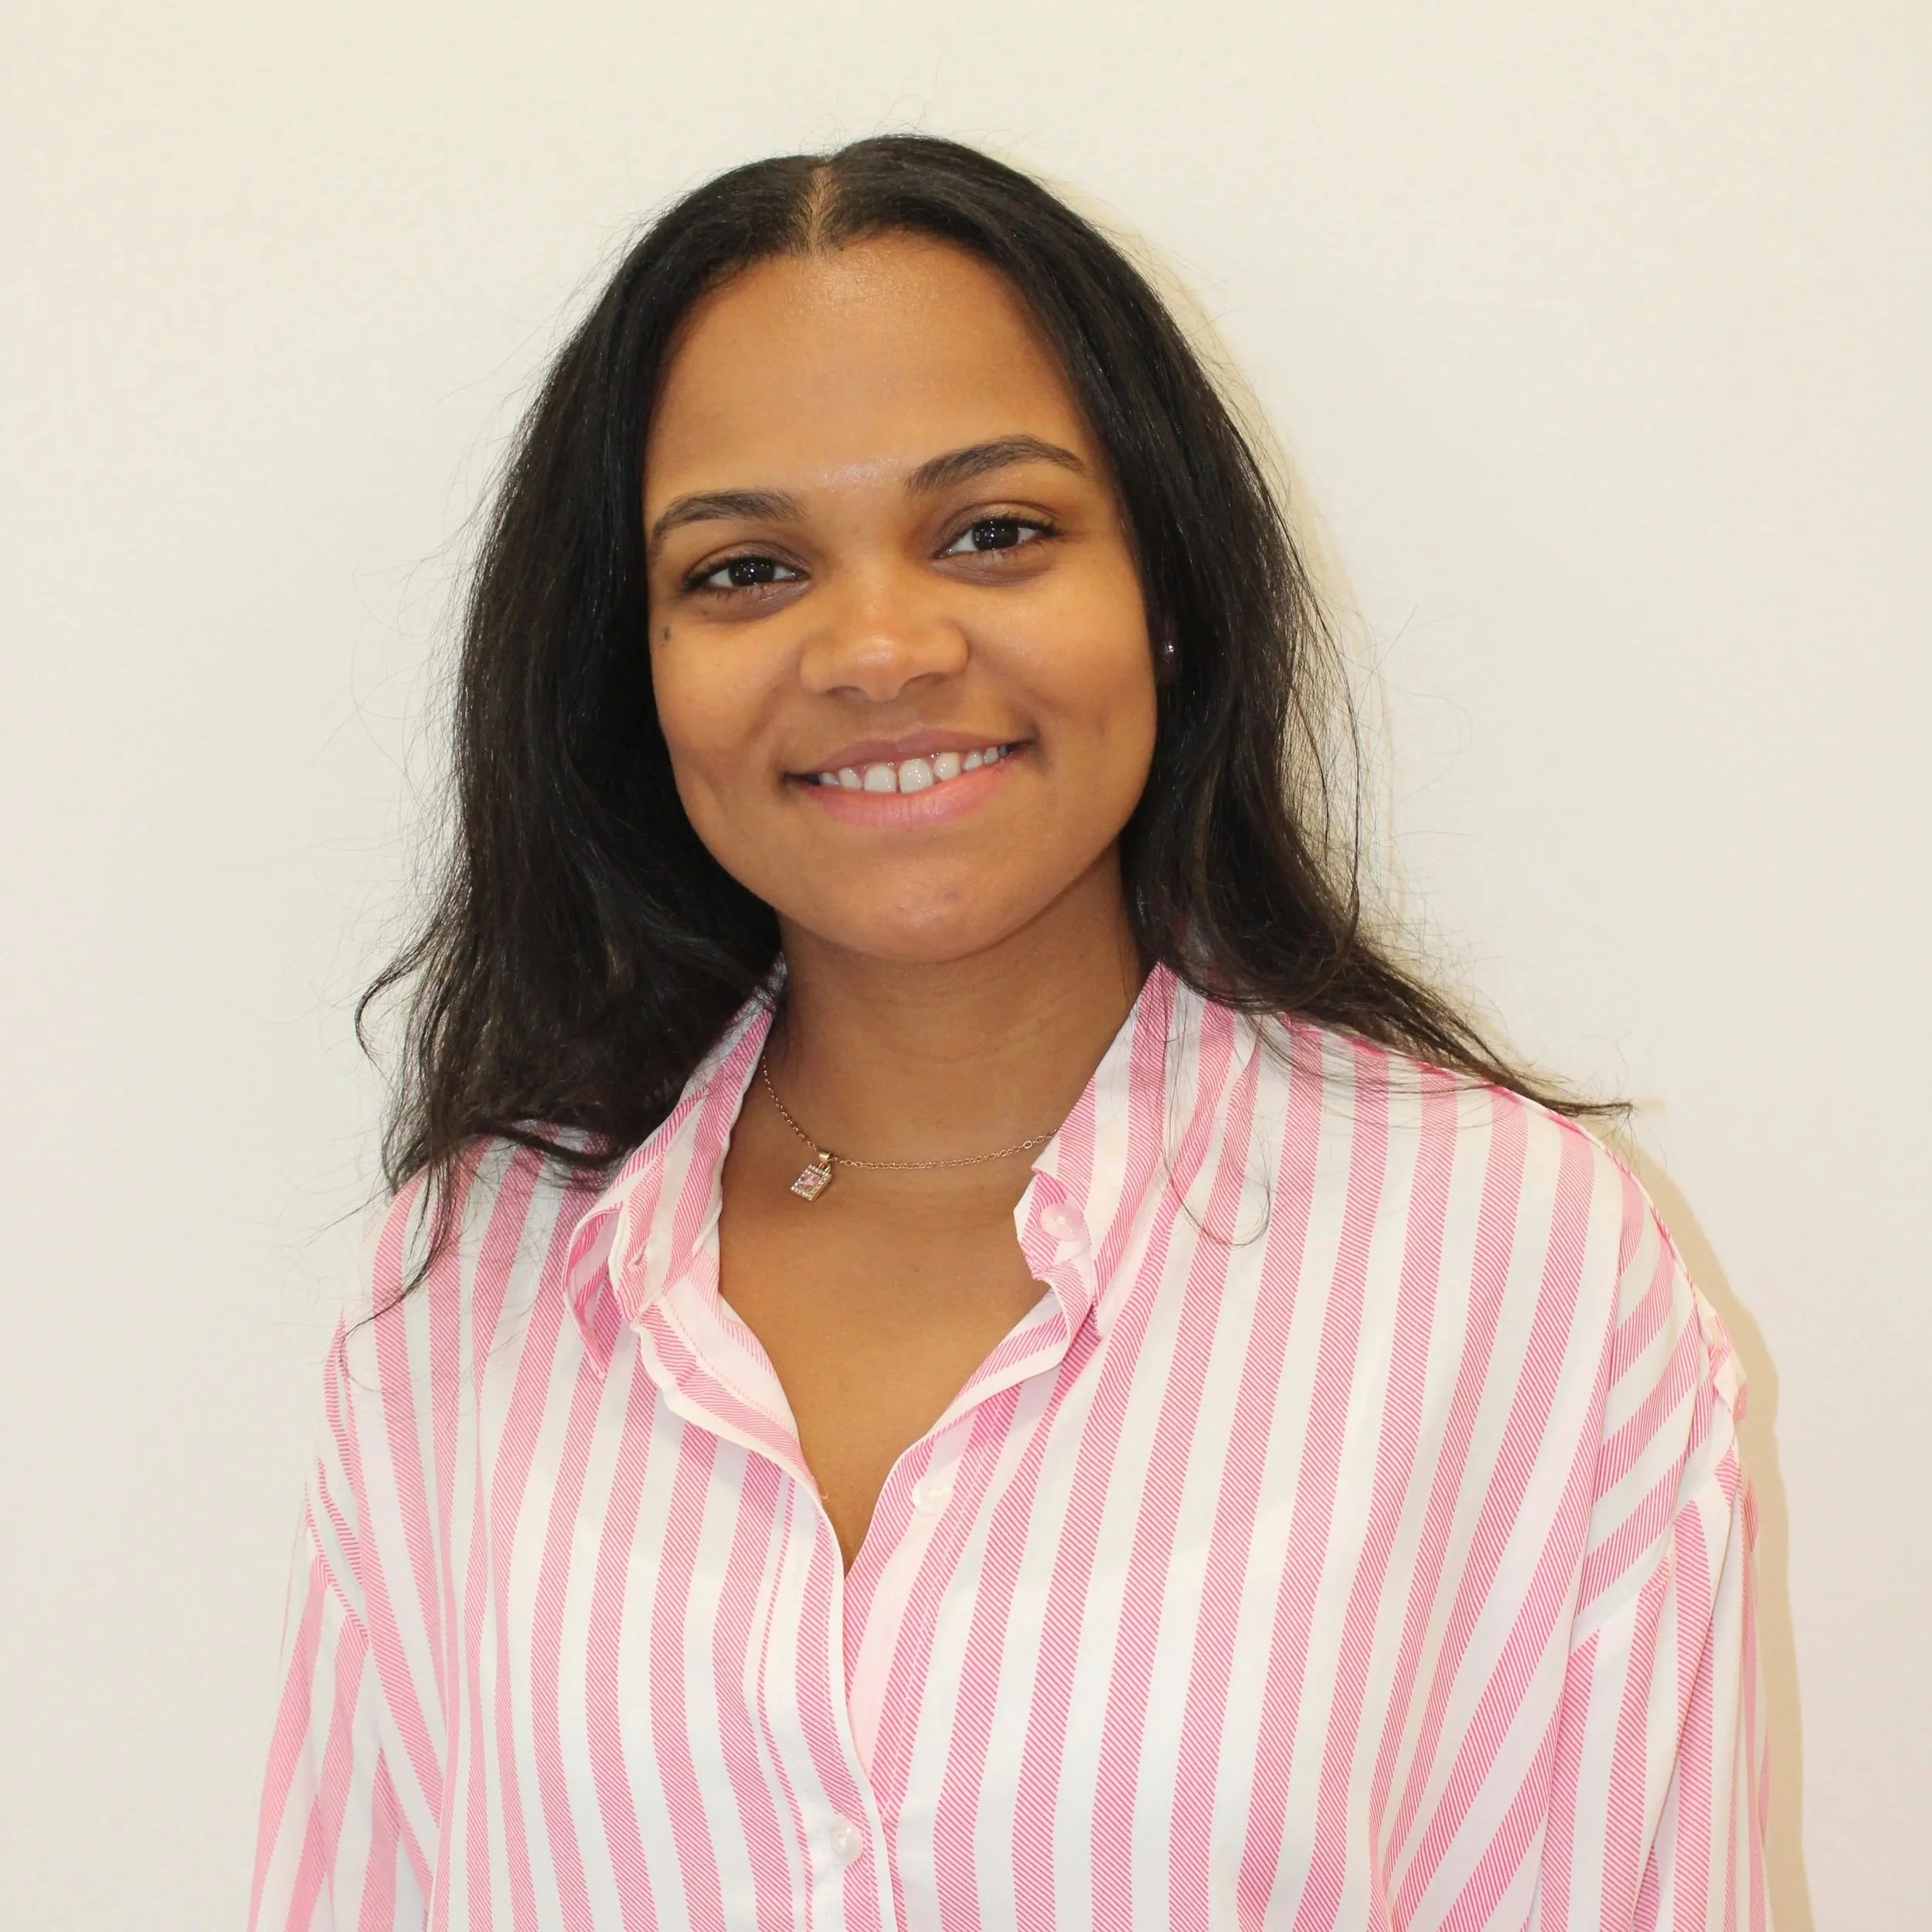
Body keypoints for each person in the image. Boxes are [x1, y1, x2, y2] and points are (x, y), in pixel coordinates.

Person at [248, 136, 1767, 1931]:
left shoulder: (1509, 1255)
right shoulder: (468, 1280)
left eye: (995, 531)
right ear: (627, 668)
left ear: (1171, 596)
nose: (878, 646)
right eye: (742, 568)